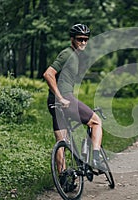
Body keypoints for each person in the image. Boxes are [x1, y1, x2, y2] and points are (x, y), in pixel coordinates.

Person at [43, 24, 104, 174]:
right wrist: (61, 97)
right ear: (72, 39)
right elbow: (48, 74)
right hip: (64, 99)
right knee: (96, 122)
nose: (83, 42)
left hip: (53, 103)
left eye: (85, 39)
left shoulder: (75, 55)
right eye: (79, 39)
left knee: (62, 143)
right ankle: (96, 158)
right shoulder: (67, 54)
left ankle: (64, 179)